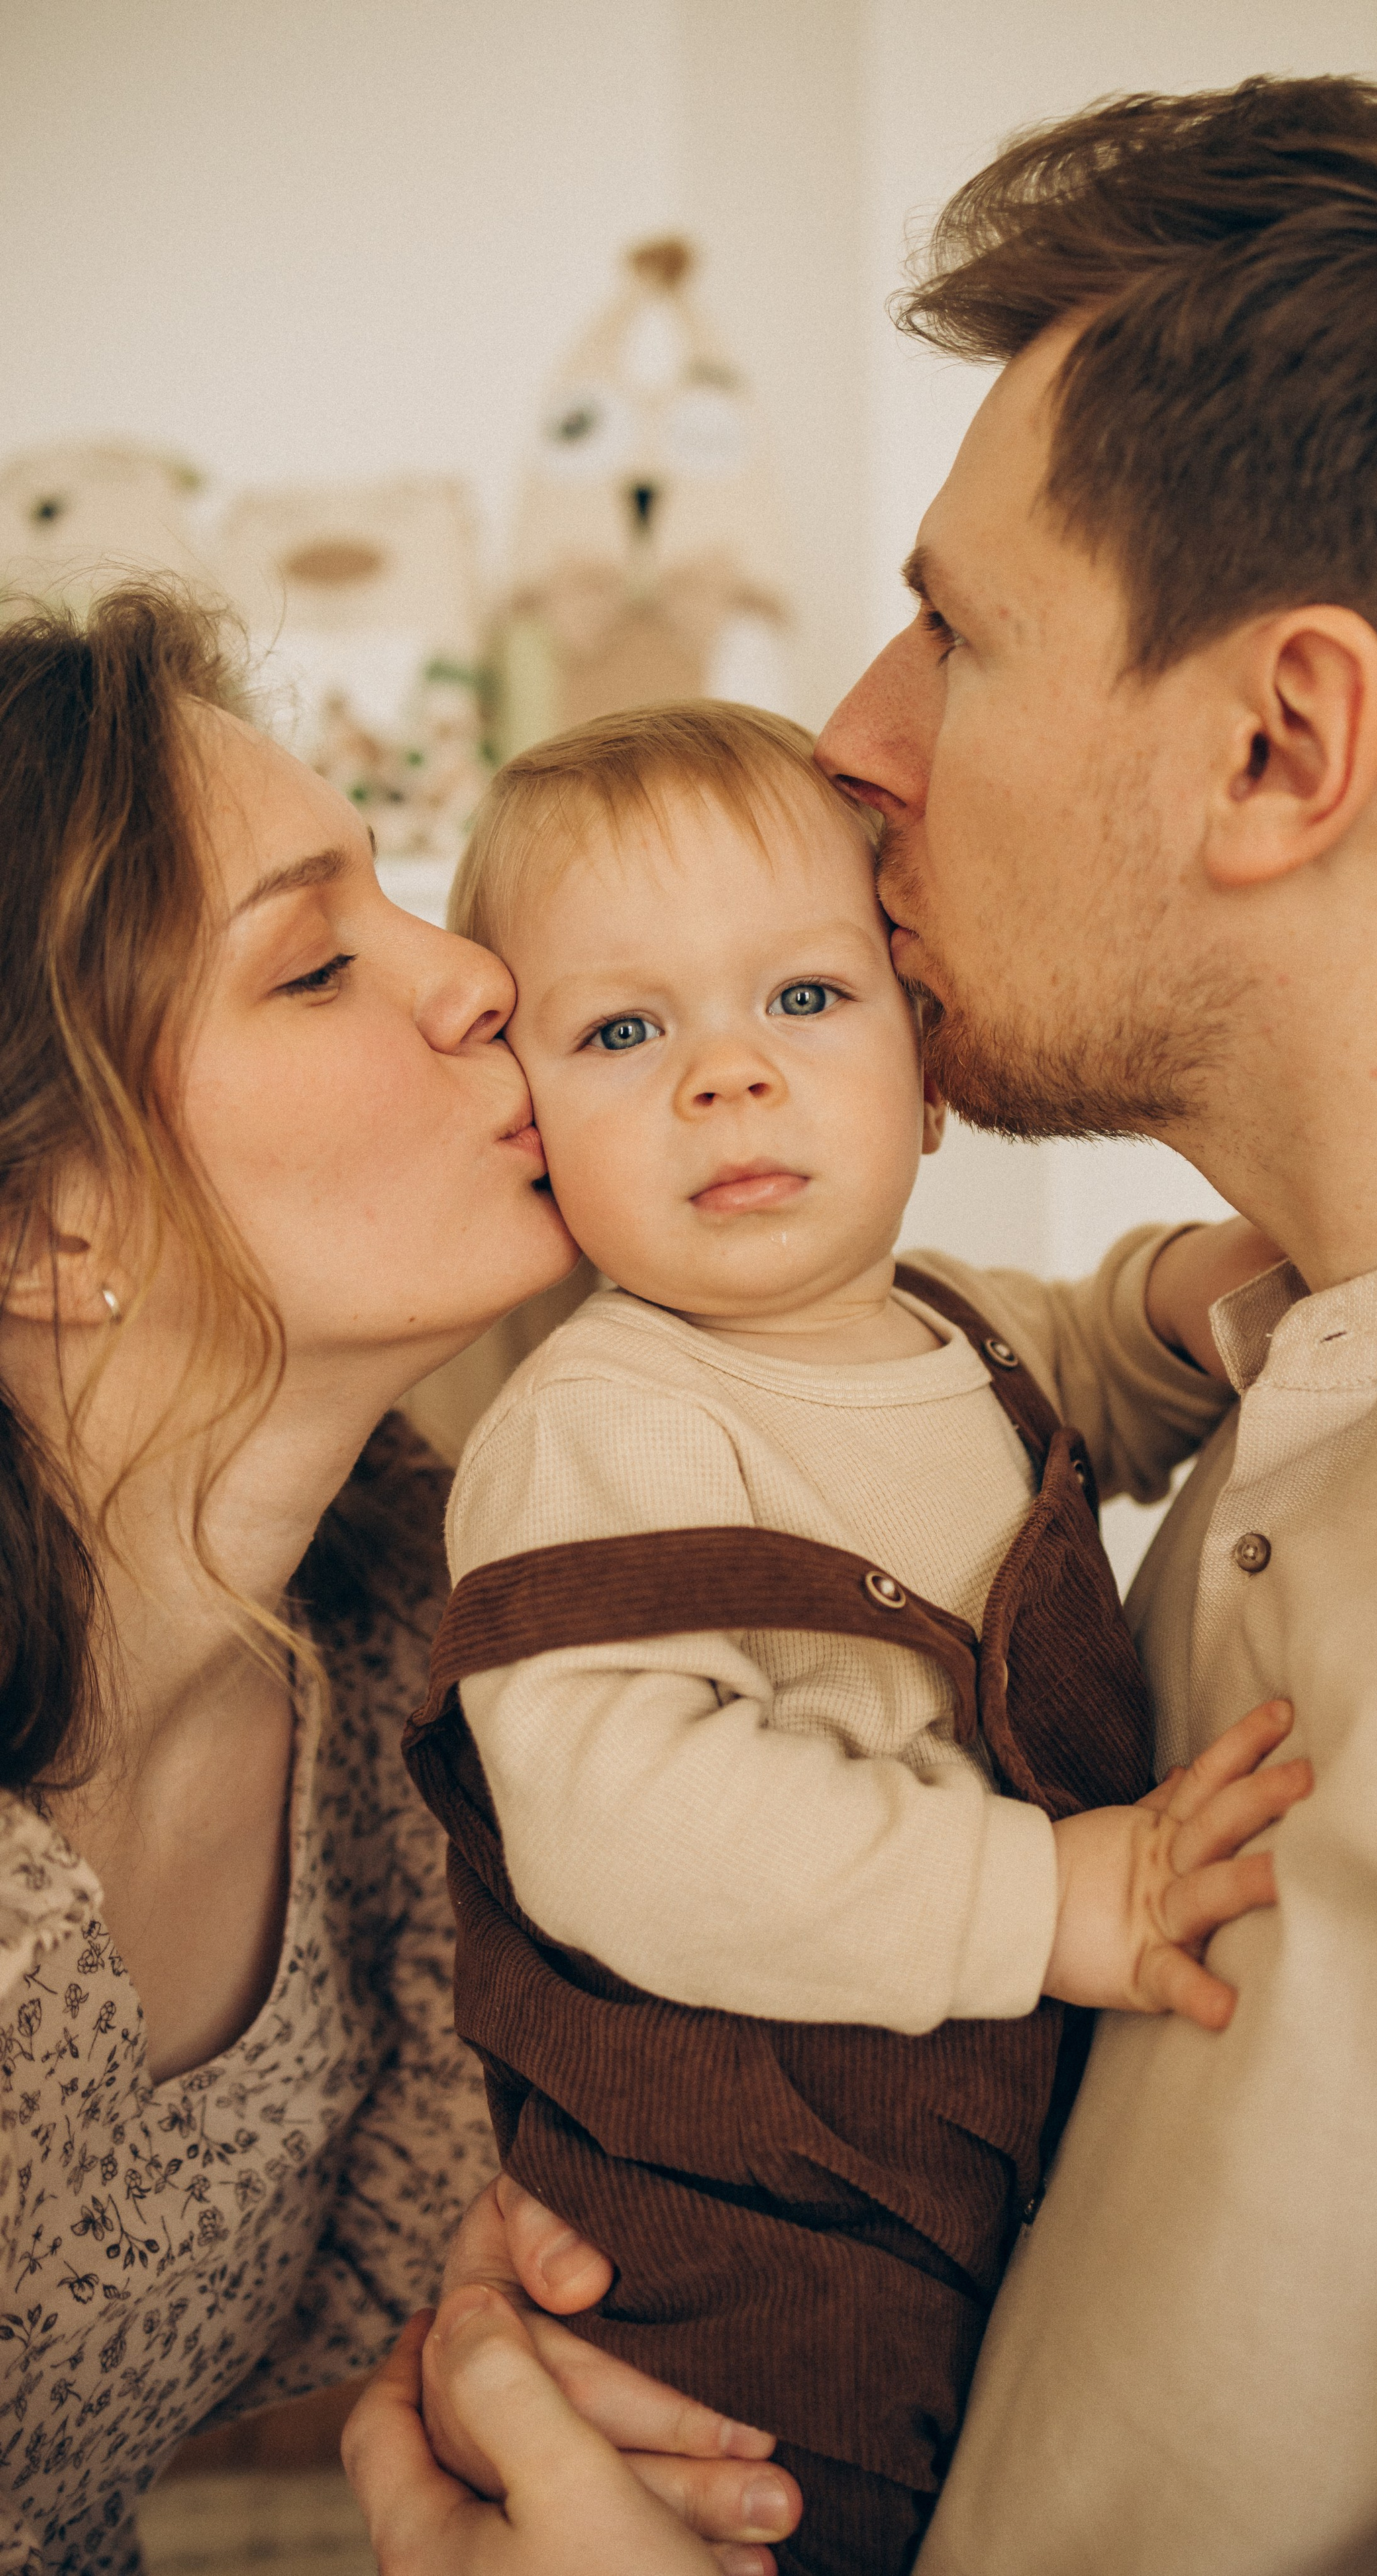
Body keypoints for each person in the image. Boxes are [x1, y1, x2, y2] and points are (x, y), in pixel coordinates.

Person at [351, 69, 1377, 2576]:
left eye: (956, 631)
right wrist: (688, 2253)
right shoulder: (1269, 1384)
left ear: (1282, 744)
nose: (855, 753)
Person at [399, 699, 1306, 2573]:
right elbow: (626, 1818)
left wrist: (1231, 1277)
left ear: (929, 1057)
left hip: (947, 2166)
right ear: (531, 1122)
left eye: (802, 999)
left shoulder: (947, 1328)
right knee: (792, 2525)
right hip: (734, 2234)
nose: (726, 1077)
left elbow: (1093, 1370)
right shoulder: (599, 1429)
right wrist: (1043, 1901)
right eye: (624, 1030)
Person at [0, 589, 806, 2576]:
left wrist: (481, 2363)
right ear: (39, 1224)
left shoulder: (389, 1640)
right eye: (313, 967)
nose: (476, 978)